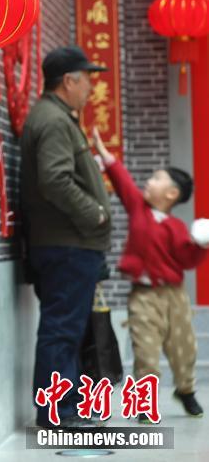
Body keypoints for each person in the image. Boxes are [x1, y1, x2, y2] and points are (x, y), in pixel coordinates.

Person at [20, 46, 112, 428]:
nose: (91, 87)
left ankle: (66, 406)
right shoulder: (55, 121)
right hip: (67, 245)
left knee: (67, 329)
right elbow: (55, 180)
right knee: (62, 330)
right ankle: (58, 413)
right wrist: (96, 214)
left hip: (68, 245)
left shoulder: (55, 117)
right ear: (69, 80)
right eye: (87, 78)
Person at [92, 127, 208, 419]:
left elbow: (187, 259)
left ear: (171, 194)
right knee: (145, 351)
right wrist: (107, 157)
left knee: (183, 349)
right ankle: (144, 402)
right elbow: (124, 183)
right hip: (142, 297)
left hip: (174, 297)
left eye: (156, 179)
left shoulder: (177, 228)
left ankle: (185, 390)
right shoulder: (138, 209)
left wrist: (201, 244)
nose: (148, 181)